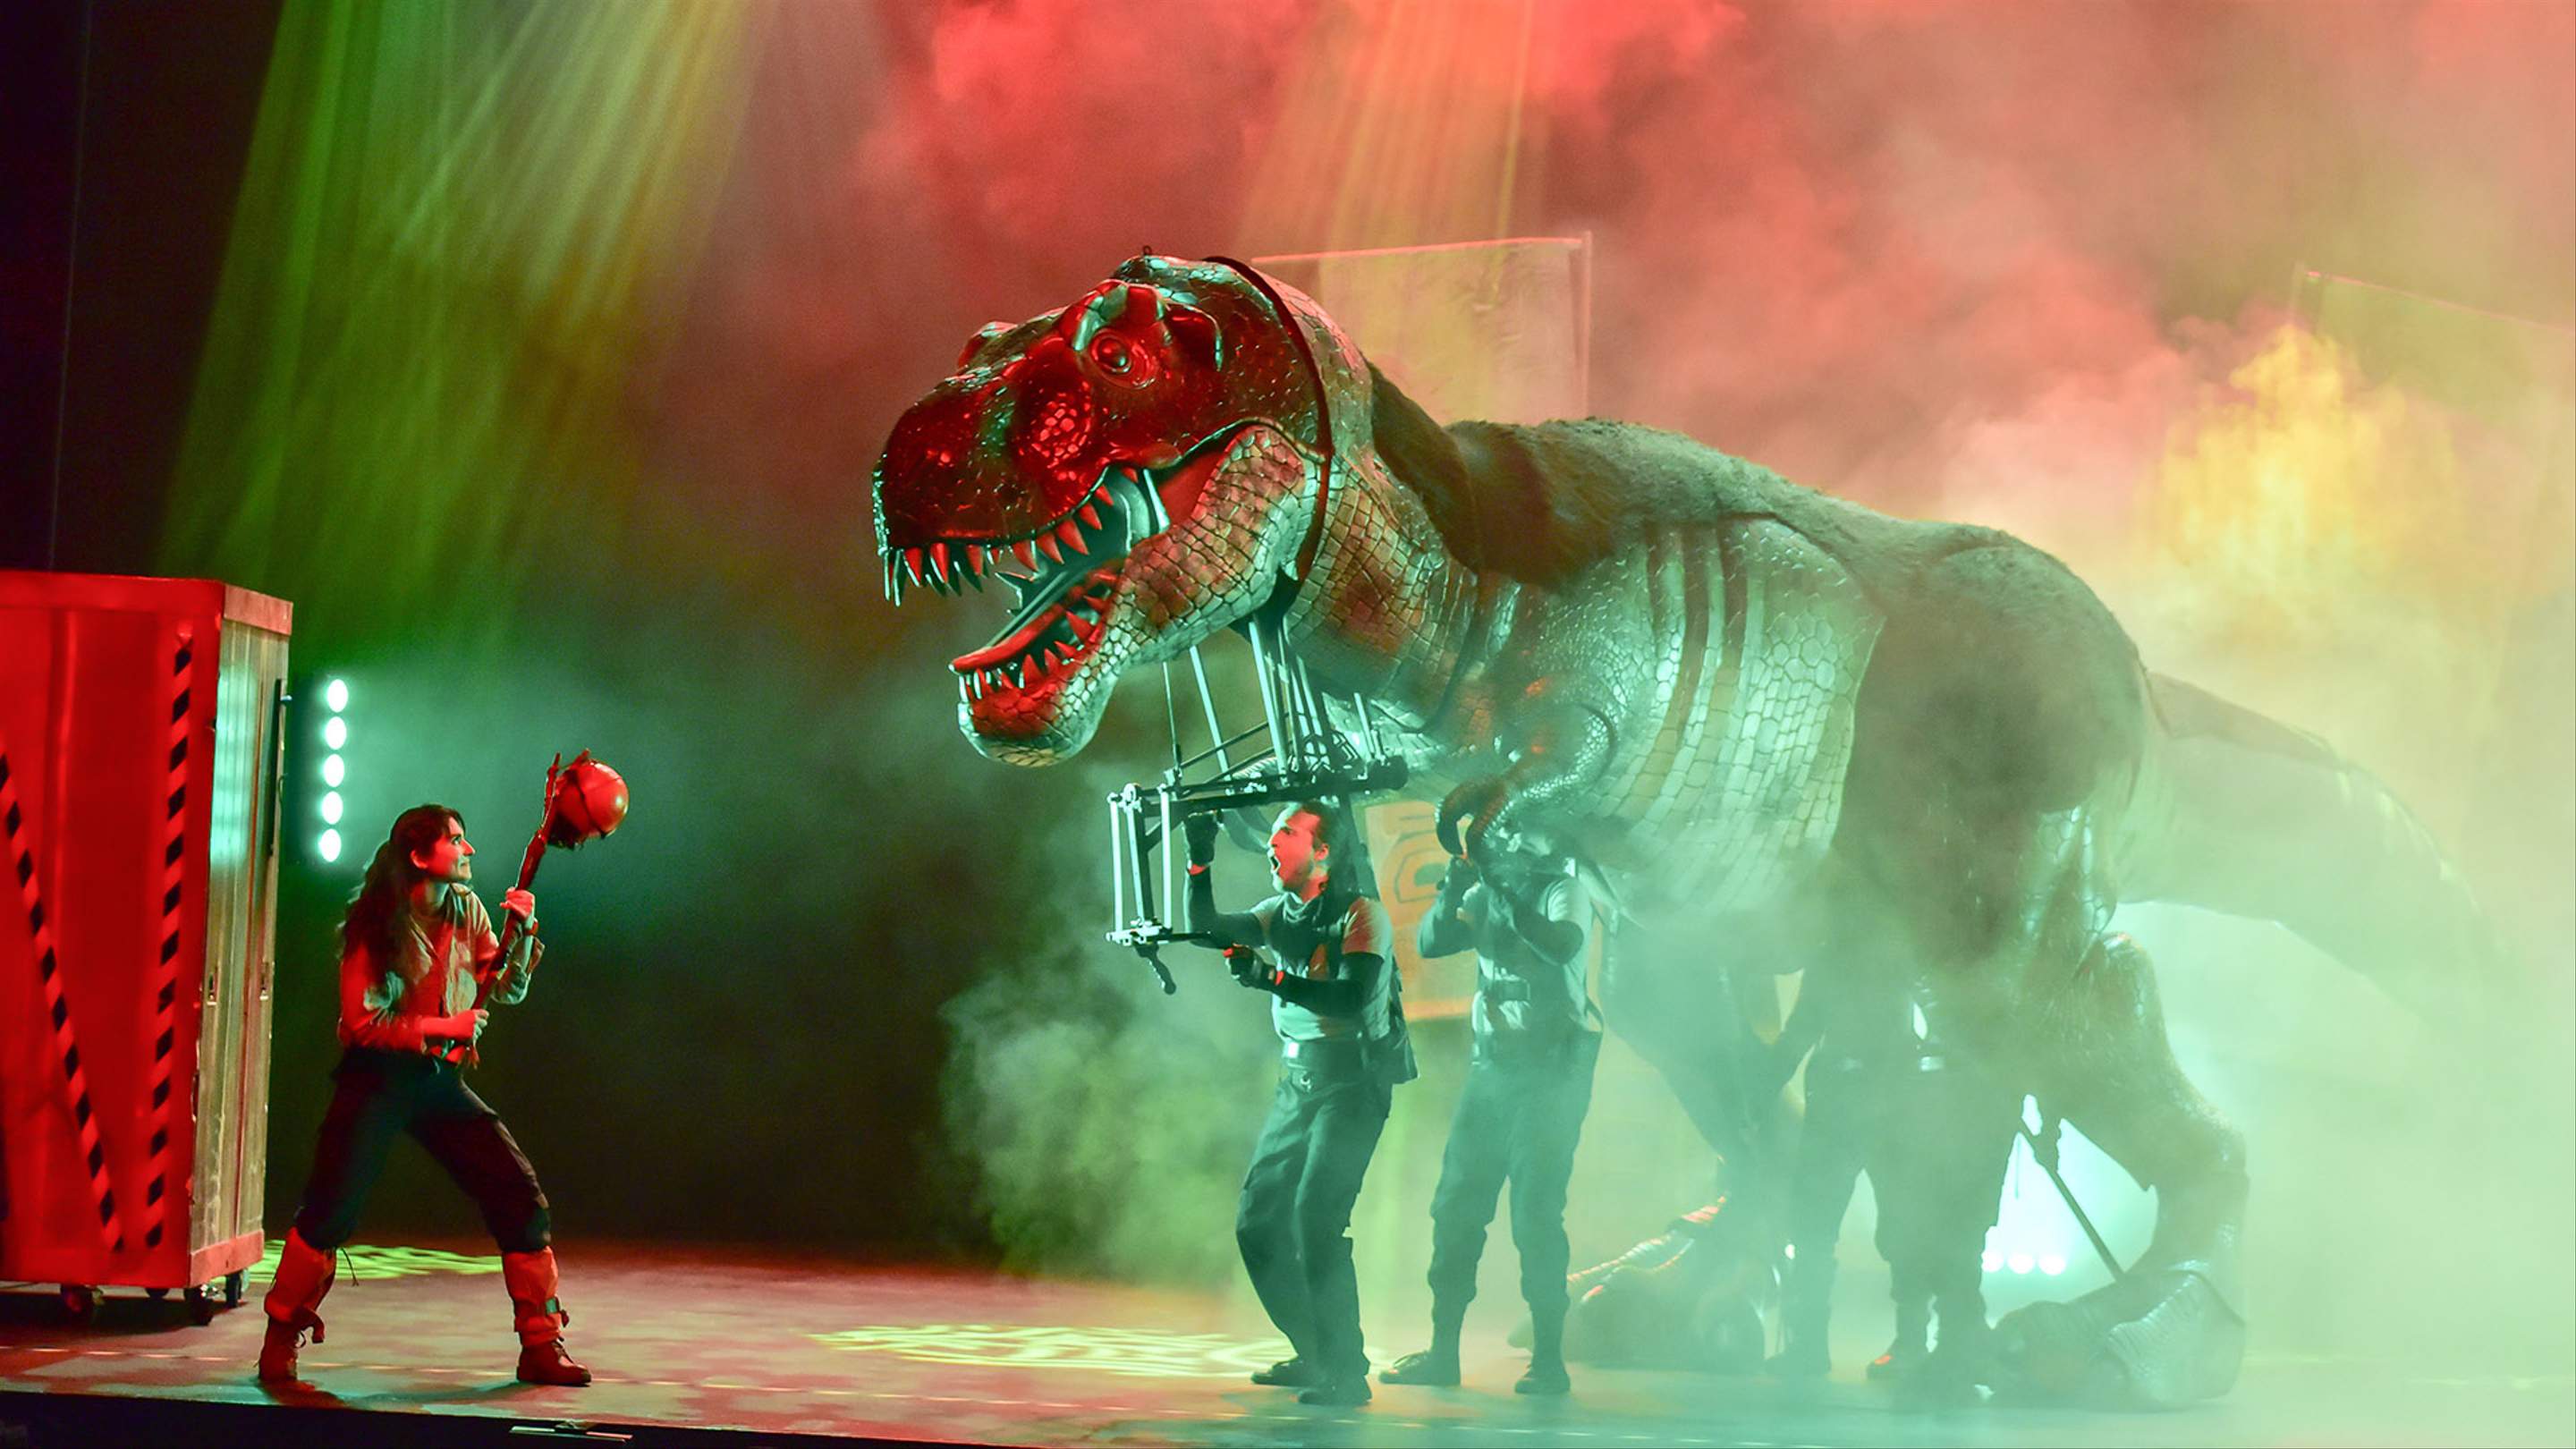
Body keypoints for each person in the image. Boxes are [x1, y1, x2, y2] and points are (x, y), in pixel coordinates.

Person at [258, 804, 590, 1387]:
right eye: (456, 841)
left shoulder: (466, 909)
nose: (469, 851)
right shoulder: (375, 921)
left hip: (435, 1081)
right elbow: (362, 1023)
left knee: (519, 1198)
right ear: (419, 856)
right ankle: (281, 1335)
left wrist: (524, 932)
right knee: (328, 1211)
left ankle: (540, 1346)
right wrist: (444, 1028)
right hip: (378, 1077)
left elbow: (505, 990)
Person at [1185, 800, 1415, 1409]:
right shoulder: (1277, 912)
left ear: (1322, 852)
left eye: (1287, 833)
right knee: (1258, 1222)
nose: (1271, 842)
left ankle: (1347, 1370)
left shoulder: (1362, 914)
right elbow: (1208, 926)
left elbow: (1350, 998)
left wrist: (1272, 980)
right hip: (1299, 1082)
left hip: (1352, 1084)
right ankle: (1315, 1352)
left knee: (1317, 1220)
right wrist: (1199, 863)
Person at [1381, 829, 1600, 1395]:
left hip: (1550, 1075)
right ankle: (1442, 1352)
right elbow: (1432, 942)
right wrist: (1454, 885)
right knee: (1455, 1207)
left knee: (1535, 1214)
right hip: (1491, 1071)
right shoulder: (1486, 889)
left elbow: (1561, 946)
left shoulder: (1562, 891)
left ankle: (1549, 1361)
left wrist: (1504, 887)